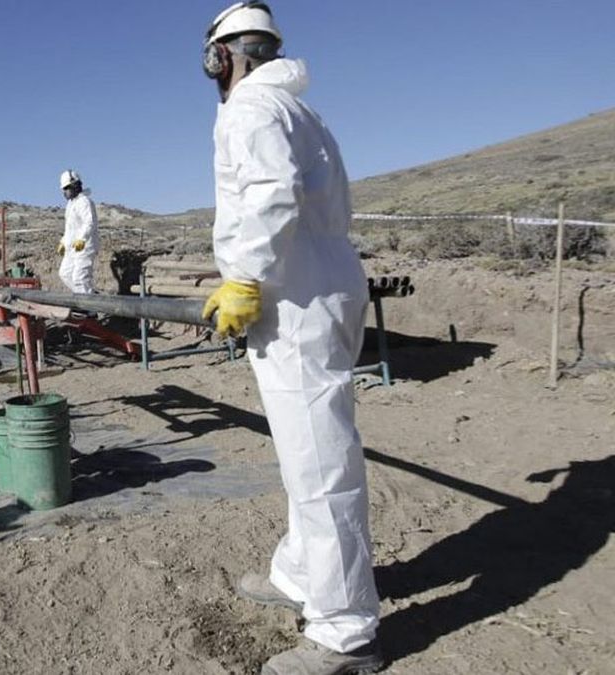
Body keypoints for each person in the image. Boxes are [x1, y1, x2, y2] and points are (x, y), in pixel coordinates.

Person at [199, 3, 383, 673]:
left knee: (320, 462)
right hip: (323, 277)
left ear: (223, 56)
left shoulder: (250, 108)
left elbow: (269, 195)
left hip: (295, 292)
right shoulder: (301, 111)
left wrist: (245, 278)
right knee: (307, 450)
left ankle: (345, 632)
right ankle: (303, 573)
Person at [55, 170, 99, 294]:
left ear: (75, 185)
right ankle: (88, 296)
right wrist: (63, 242)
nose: (64, 192)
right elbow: (70, 228)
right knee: (65, 273)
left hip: (85, 246)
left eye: (66, 188)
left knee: (80, 278)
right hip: (72, 247)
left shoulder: (84, 202)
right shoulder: (70, 204)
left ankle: (89, 303)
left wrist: (82, 239)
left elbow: (89, 223)